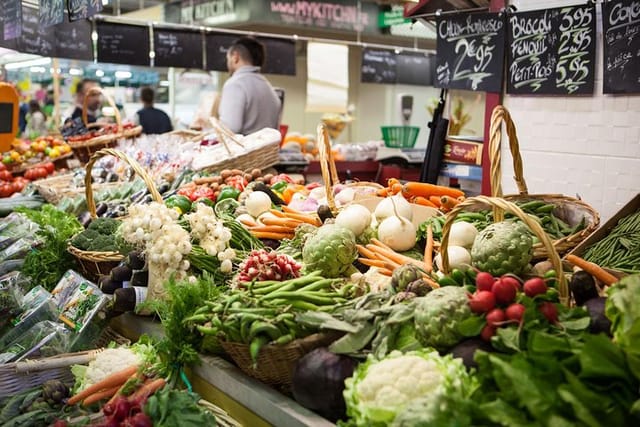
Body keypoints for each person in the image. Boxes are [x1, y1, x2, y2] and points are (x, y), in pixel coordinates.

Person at [218, 37, 281, 135]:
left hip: (241, 150)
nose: (227, 63)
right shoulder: (269, 88)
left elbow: (229, 128)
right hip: (266, 150)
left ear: (235, 57)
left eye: (228, 59)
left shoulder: (235, 84)